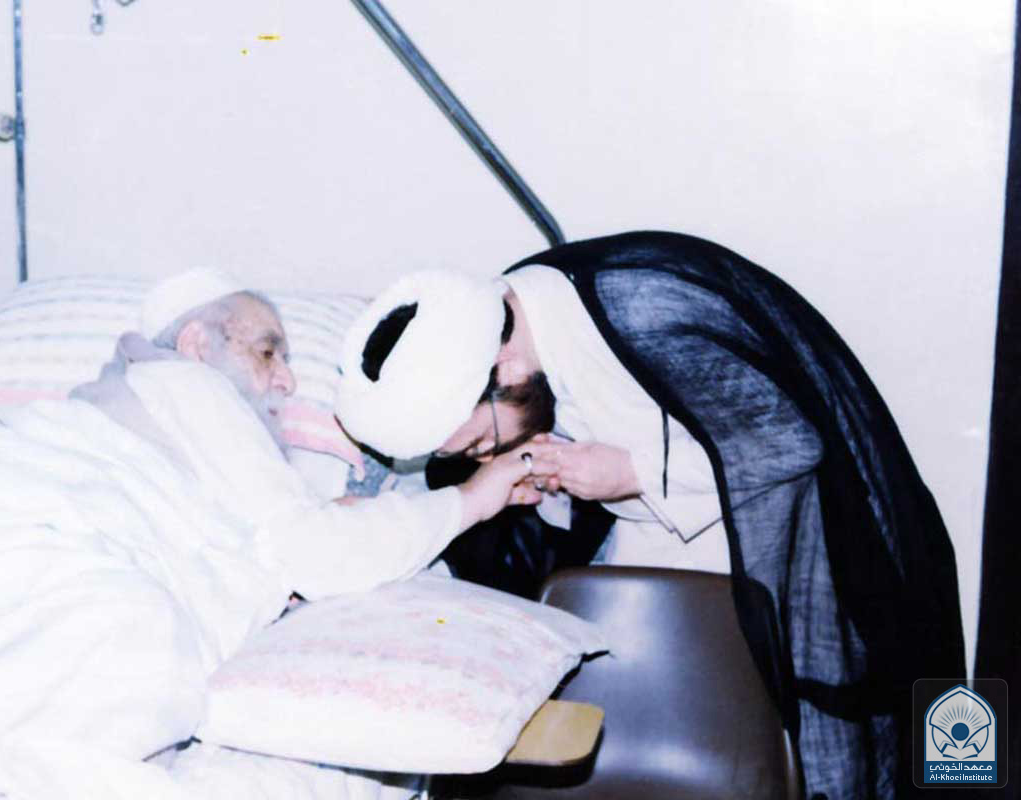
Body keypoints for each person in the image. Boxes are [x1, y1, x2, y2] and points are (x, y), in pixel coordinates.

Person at [0, 269, 538, 799]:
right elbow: (316, 554)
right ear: (197, 345)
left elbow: (281, 534)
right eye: (268, 350)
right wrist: (475, 497)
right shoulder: (184, 384)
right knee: (113, 637)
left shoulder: (156, 416)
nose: (286, 381)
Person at [334, 232, 966, 800]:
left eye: (480, 441)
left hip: (814, 521)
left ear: (502, 370)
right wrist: (555, 481)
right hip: (685, 537)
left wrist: (630, 472)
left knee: (843, 729)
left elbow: (789, 441)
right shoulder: (516, 320)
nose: (485, 455)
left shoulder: (641, 313)